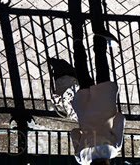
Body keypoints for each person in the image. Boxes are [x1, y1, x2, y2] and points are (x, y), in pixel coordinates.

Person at [48, 35, 124, 165]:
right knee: (82, 72)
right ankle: (77, 40)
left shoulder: (114, 150)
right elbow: (74, 133)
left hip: (104, 103)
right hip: (85, 108)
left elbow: (120, 118)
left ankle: (99, 40)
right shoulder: (82, 158)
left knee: (102, 68)